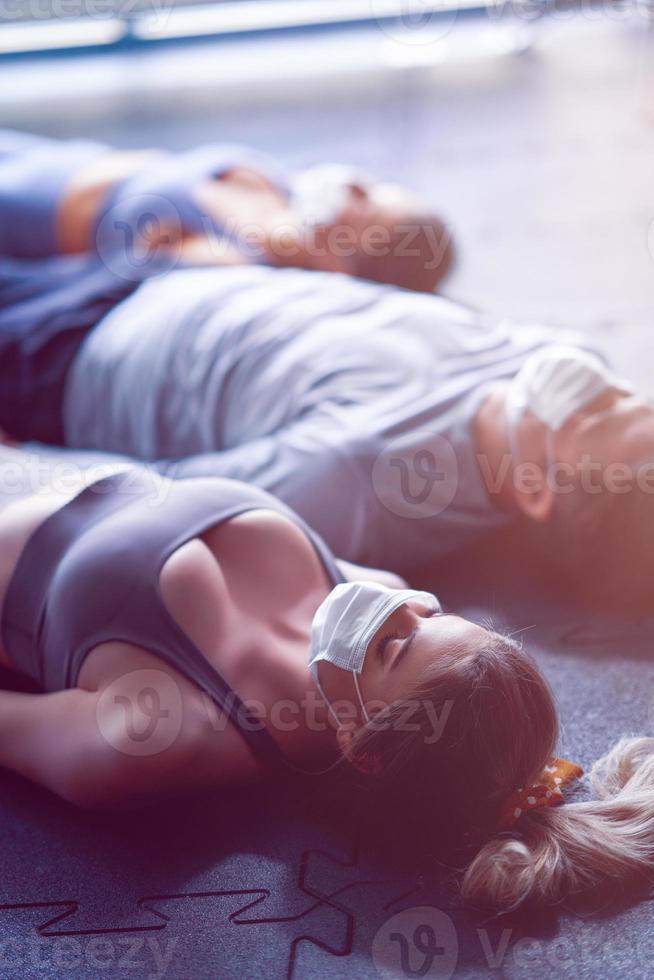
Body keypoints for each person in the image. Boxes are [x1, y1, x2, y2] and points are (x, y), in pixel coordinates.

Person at [2, 133, 654, 610]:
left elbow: (157, 497)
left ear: (538, 488)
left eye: (600, 414)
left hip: (72, 362)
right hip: (168, 281)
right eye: (634, 396)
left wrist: (25, 461)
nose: (607, 386)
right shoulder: (557, 368)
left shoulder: (367, 481)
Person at [0, 452, 653, 914]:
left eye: (395, 648)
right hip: (57, 457)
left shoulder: (157, 738)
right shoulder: (387, 599)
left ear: (361, 745)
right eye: (439, 616)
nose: (403, 604)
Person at [0, 129, 453, 290]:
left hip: (22, 220)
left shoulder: (233, 263)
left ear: (344, 265)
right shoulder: (279, 187)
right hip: (49, 161)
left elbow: (116, 272)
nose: (353, 186)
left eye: (366, 207)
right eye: (374, 186)